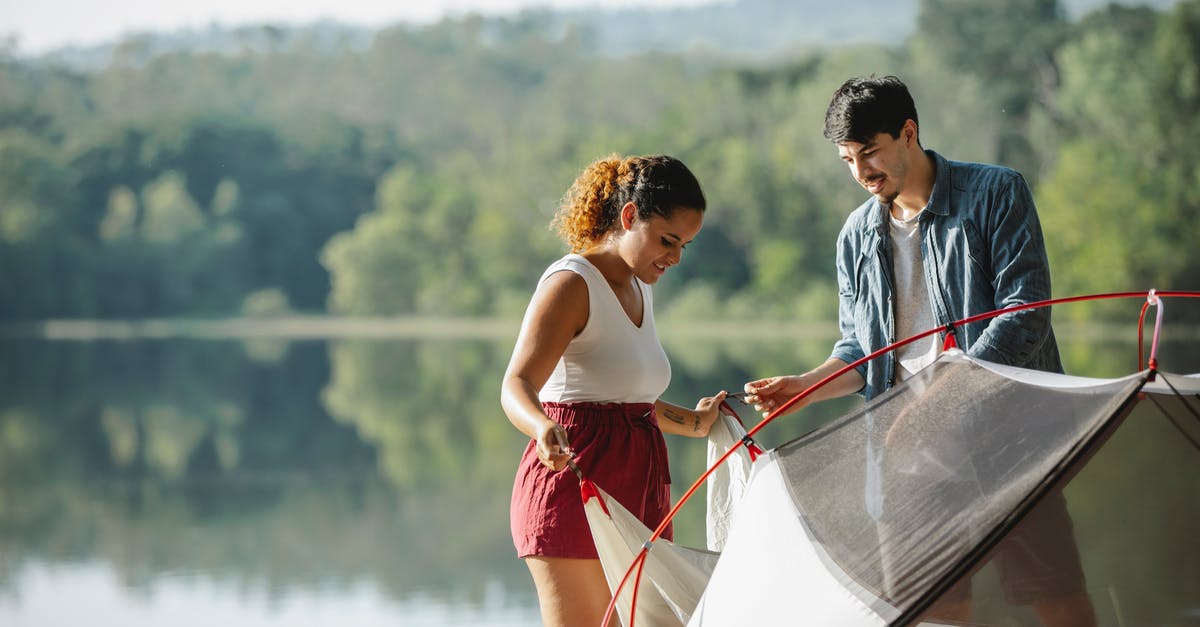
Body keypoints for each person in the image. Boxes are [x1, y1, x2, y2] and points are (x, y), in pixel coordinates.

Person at [743, 76, 1096, 626]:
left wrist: (940, 404)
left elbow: (1024, 314)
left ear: (908, 133)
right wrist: (807, 386)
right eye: (847, 160)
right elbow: (861, 350)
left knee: (1057, 603)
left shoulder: (996, 192)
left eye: (870, 152)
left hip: (1014, 447)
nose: (861, 173)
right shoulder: (855, 235)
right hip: (903, 458)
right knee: (932, 617)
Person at [501, 153, 727, 627]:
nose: (675, 258)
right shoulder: (571, 283)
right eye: (668, 241)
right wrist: (542, 427)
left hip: (640, 489)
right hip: (575, 484)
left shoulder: (641, 284)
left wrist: (697, 422)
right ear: (629, 218)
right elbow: (517, 384)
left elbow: (629, 401)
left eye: (685, 245)